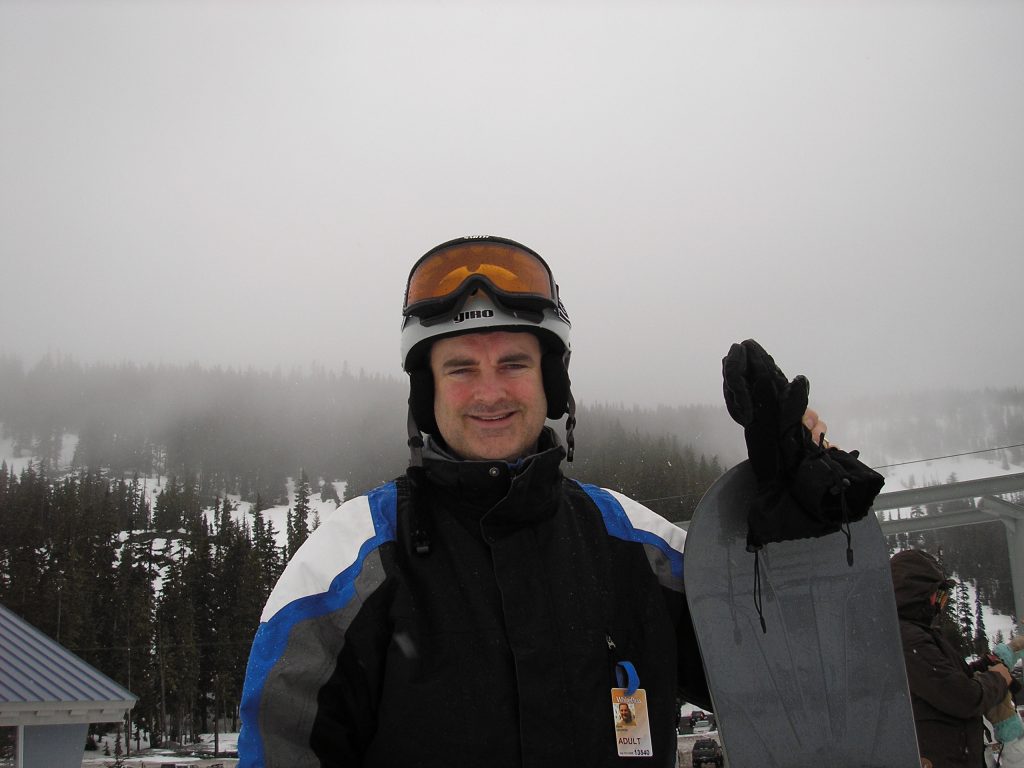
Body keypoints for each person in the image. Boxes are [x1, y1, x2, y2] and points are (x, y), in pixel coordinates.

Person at [237, 236, 825, 767]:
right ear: (427, 394)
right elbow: (281, 744)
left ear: (552, 383)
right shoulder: (350, 563)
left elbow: (778, 666)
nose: (489, 392)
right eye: (461, 368)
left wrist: (795, 532)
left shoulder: (631, 543)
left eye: (513, 364)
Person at [890, 548, 1012, 768]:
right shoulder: (908, 639)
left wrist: (983, 665)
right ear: (919, 592)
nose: (941, 602)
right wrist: (999, 678)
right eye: (940, 593)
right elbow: (963, 697)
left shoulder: (913, 634)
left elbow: (943, 680)